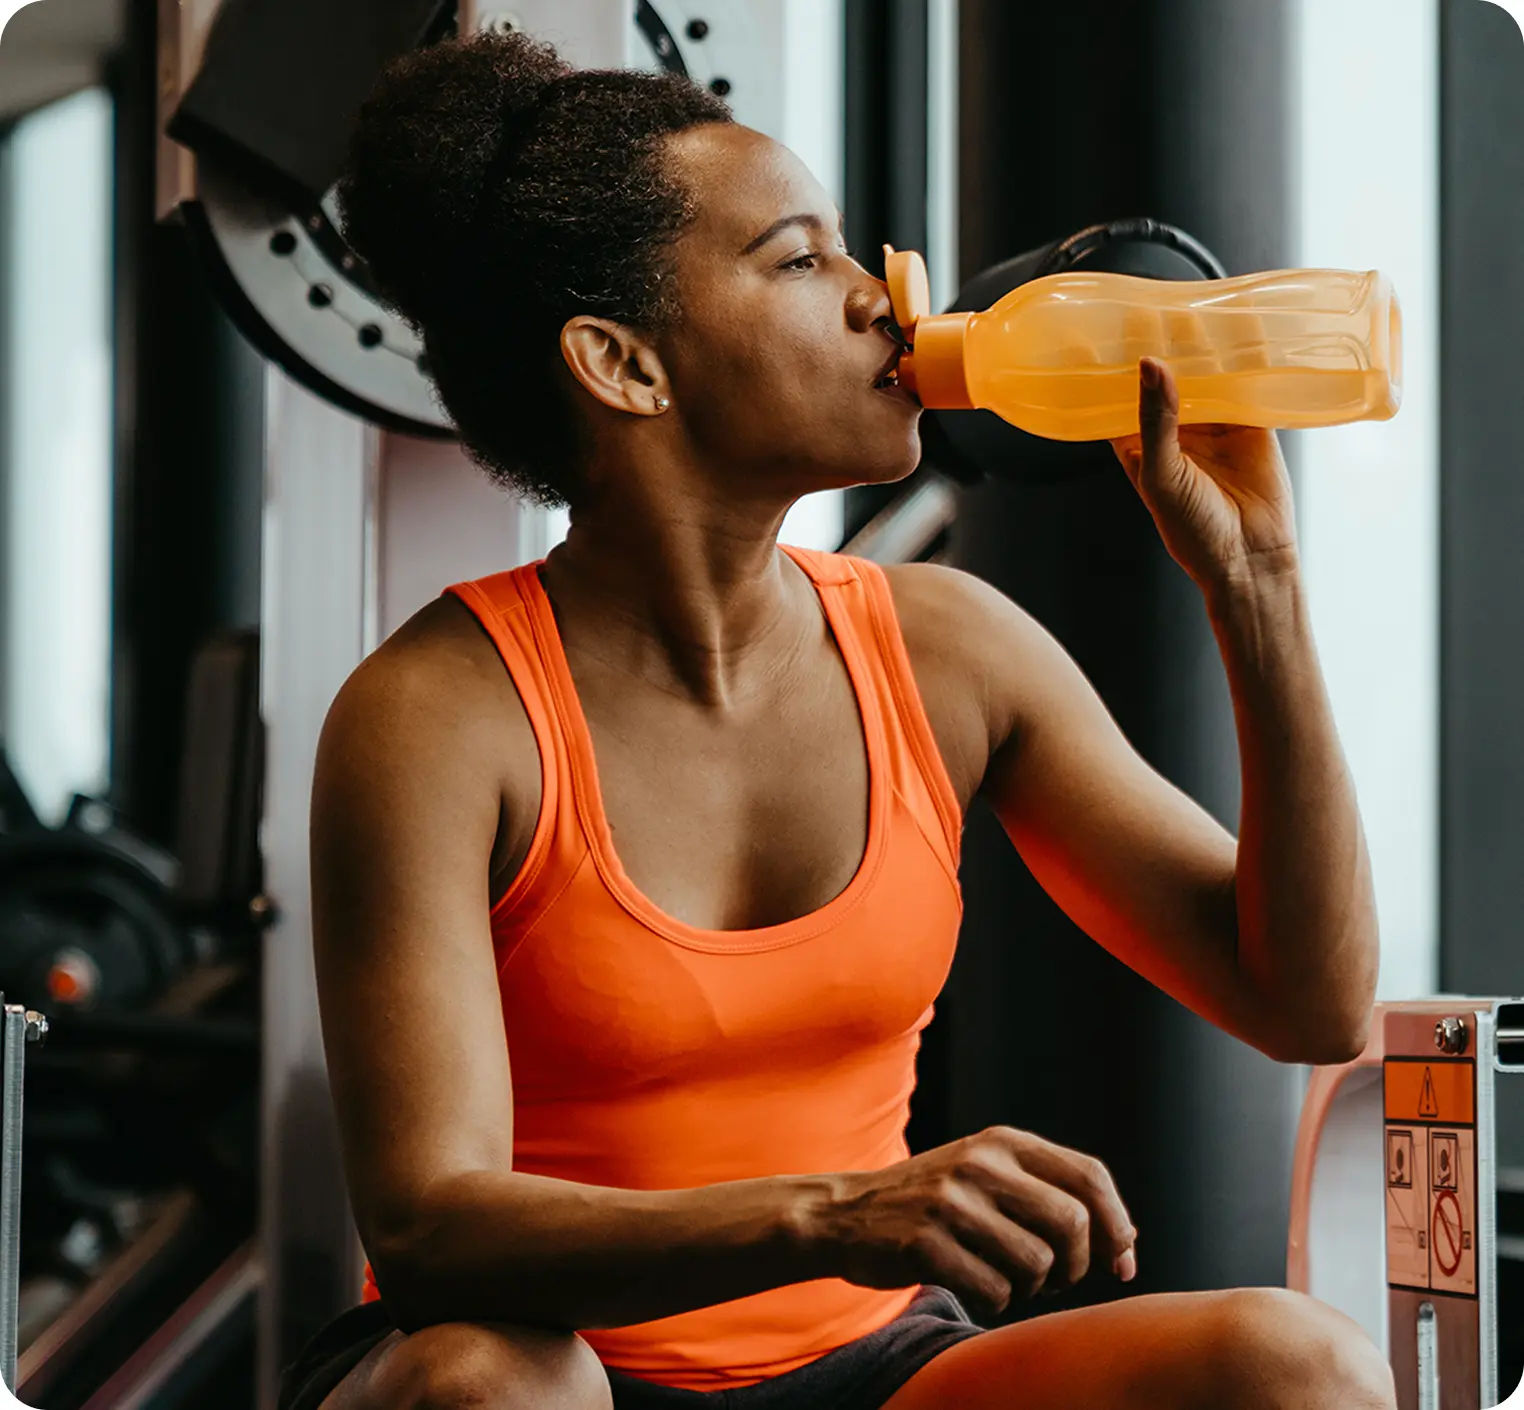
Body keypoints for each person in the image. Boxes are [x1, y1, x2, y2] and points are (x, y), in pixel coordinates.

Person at [282, 26, 1395, 1410]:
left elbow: (1309, 997)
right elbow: (430, 1230)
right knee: (492, 1389)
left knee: (1301, 1366)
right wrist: (838, 1212)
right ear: (624, 364)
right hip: (539, 1364)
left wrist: (1263, 592)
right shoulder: (434, 714)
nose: (884, 299)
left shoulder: (947, 650)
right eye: (801, 259)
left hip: (866, 1365)